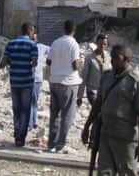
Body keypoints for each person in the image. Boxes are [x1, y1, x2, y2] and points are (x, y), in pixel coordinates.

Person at [81, 45, 139, 176]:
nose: (112, 61)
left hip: (125, 139)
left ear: (127, 59)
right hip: (106, 134)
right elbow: (98, 104)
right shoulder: (107, 77)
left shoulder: (136, 82)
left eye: (117, 58)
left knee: (127, 172)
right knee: (104, 172)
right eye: (111, 57)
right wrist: (87, 126)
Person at [47, 20, 82, 152]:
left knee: (54, 114)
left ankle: (51, 143)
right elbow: (75, 66)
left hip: (54, 80)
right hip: (69, 82)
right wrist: (80, 64)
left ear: (64, 29)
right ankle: (61, 144)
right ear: (74, 30)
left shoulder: (55, 42)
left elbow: (48, 61)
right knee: (67, 114)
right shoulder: (74, 44)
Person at [3, 23, 39, 147]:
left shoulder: (11, 43)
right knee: (25, 109)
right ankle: (21, 137)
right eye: (32, 31)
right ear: (29, 31)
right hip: (27, 81)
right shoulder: (32, 44)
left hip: (14, 80)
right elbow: (34, 63)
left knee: (16, 109)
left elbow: (5, 61)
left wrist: (14, 63)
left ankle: (16, 134)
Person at [78, 34, 110, 110]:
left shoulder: (107, 56)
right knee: (98, 109)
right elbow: (84, 77)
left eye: (104, 44)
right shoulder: (89, 58)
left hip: (104, 91)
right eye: (100, 44)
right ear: (96, 43)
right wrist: (80, 96)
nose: (102, 46)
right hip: (93, 91)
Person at [30, 32, 50, 132]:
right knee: (32, 102)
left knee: (33, 102)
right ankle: (31, 123)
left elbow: (53, 52)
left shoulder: (42, 47)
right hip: (32, 78)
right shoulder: (28, 47)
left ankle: (32, 123)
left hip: (36, 79)